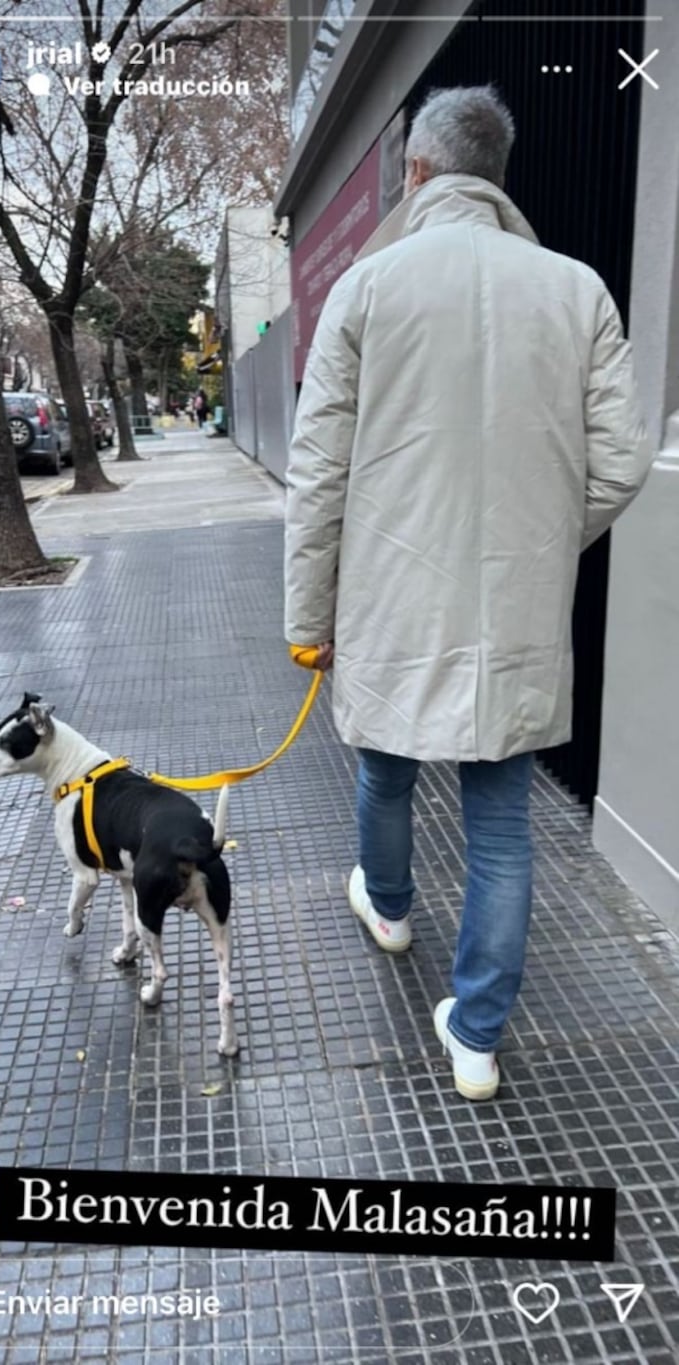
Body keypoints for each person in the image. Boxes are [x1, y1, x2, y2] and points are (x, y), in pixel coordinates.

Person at [284, 86, 652, 1102]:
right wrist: (539, 540)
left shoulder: (364, 287)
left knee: (385, 772)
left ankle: (390, 907)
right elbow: (620, 462)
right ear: (497, 176)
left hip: (387, 601)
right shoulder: (576, 289)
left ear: (414, 171)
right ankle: (477, 1035)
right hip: (513, 608)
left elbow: (318, 474)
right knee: (500, 824)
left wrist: (304, 618)